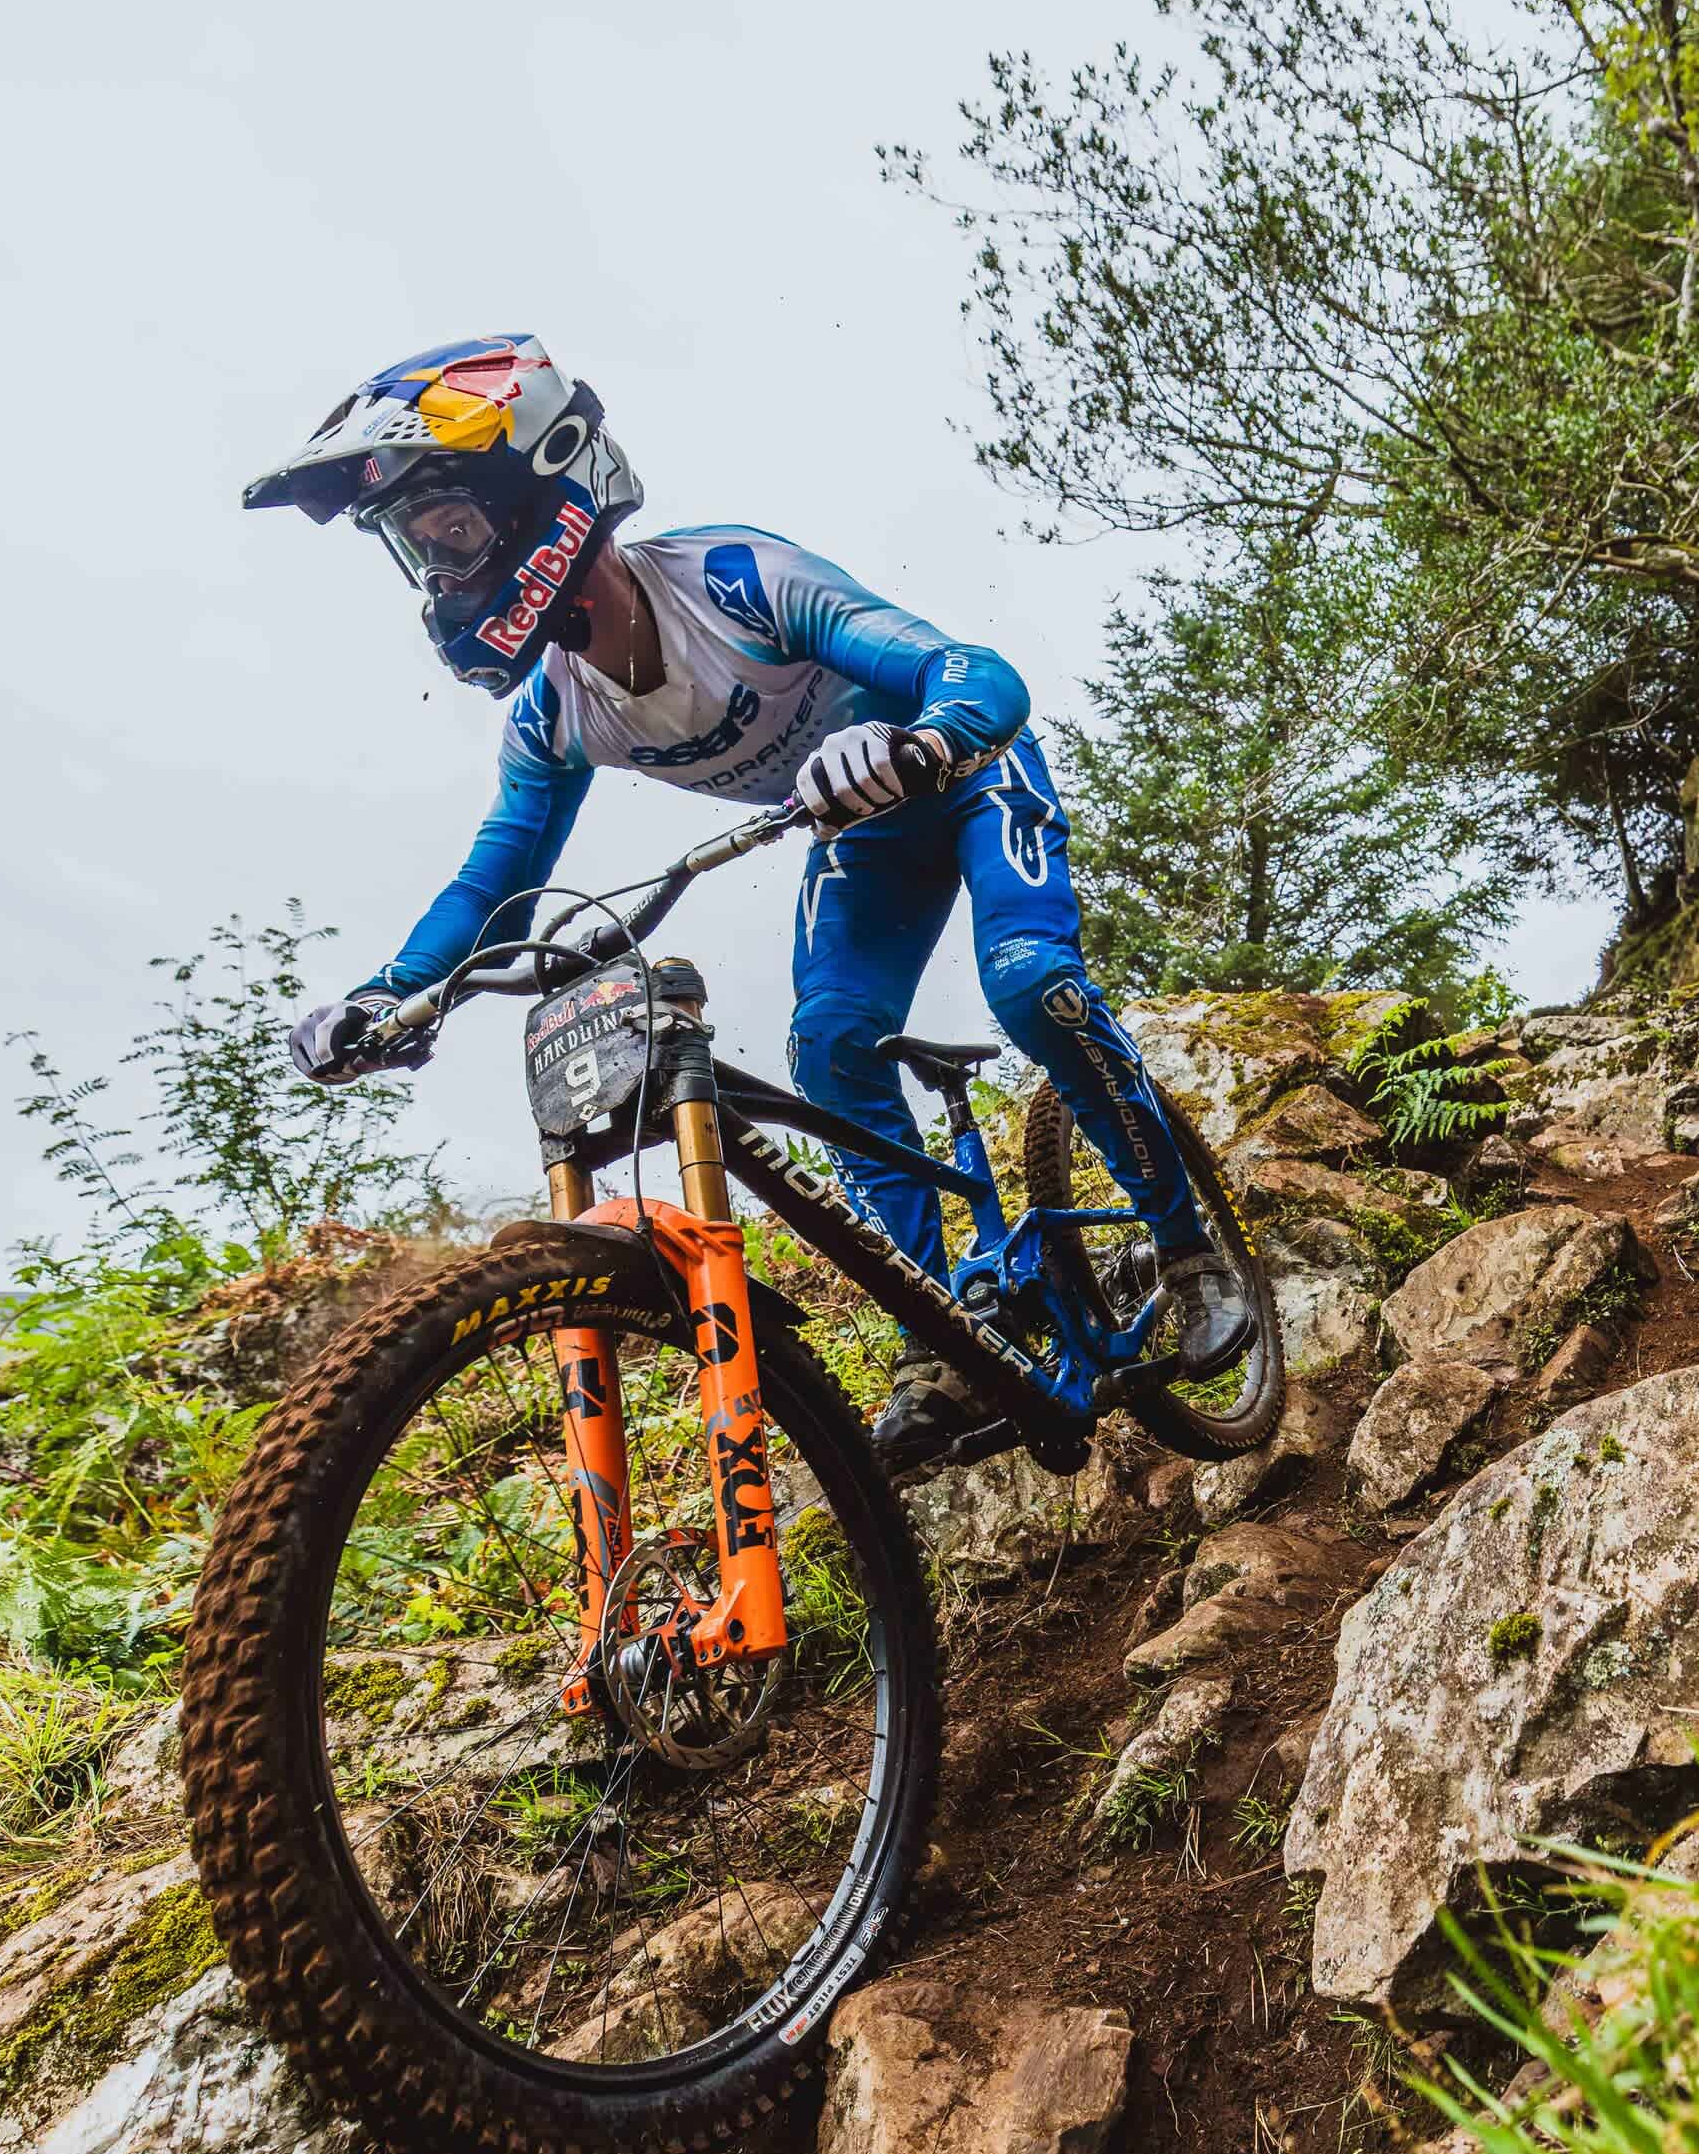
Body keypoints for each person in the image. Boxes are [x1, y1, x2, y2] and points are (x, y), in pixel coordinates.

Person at [242, 335, 1247, 1466]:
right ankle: (940, 1339)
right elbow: (497, 882)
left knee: (1031, 984)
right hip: (856, 831)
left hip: (964, 772)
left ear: (542, 490)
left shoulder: (732, 580)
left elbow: (975, 671)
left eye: (453, 535)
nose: (440, 579)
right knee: (830, 1049)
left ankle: (1188, 1250)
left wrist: (920, 740)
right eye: (416, 553)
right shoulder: (553, 712)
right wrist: (391, 994)